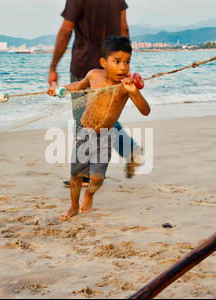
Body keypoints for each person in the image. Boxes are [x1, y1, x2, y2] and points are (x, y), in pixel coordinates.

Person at [48, 36, 150, 221]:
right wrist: (61, 89)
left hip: (104, 136)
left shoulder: (126, 86)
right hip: (84, 132)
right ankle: (73, 206)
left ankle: (90, 195)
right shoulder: (94, 75)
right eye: (117, 61)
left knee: (97, 178)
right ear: (104, 62)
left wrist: (135, 91)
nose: (123, 67)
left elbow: (145, 111)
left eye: (127, 62)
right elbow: (78, 87)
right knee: (75, 175)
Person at [48, 0, 141, 186]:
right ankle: (129, 149)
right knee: (105, 113)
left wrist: (53, 66)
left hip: (84, 67)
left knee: (85, 119)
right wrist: (124, 63)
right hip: (110, 68)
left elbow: (66, 30)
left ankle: (85, 174)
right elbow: (124, 28)